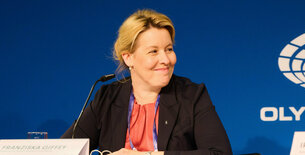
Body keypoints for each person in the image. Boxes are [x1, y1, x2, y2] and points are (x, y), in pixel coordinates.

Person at [62, 9, 232, 155]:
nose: (166, 59)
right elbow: (65, 151)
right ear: (128, 58)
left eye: (169, 49)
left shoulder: (192, 95)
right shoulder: (107, 98)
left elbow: (219, 153)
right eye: (153, 51)